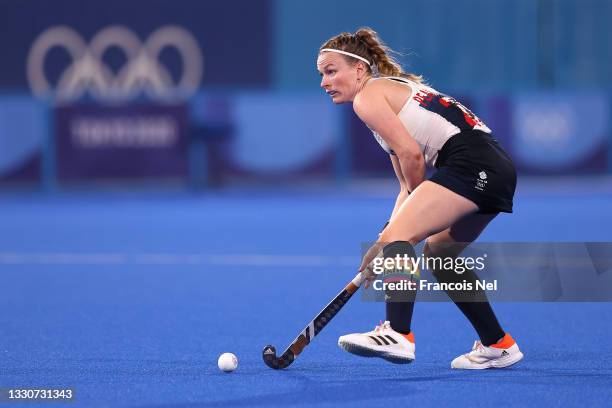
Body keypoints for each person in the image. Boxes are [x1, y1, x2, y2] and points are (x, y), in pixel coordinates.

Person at [316, 28, 523, 369]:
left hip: (471, 164)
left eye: (331, 71)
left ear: (359, 69)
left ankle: (398, 333)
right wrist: (386, 237)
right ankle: (498, 344)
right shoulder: (390, 94)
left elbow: (413, 157)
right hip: (494, 167)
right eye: (322, 74)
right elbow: (405, 188)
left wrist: (395, 236)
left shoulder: (367, 97)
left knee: (402, 237)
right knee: (439, 252)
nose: (325, 82)